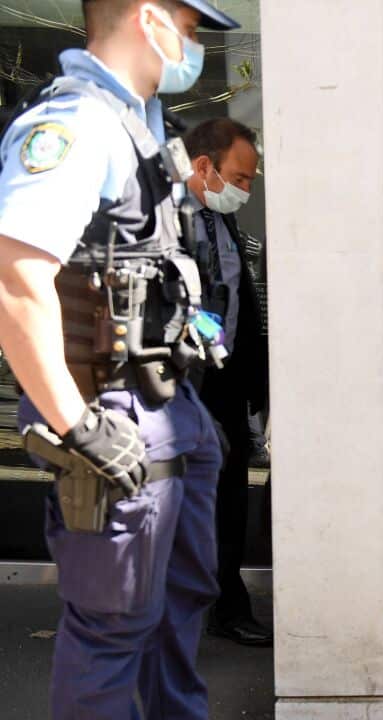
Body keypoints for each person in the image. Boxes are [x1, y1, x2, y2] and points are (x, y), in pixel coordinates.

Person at [0, 1, 238, 717]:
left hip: (169, 405)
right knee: (113, 627)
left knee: (180, 603)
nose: (194, 47)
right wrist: (76, 427)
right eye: (190, 29)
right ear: (147, 19)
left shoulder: (138, 127)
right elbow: (16, 278)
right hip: (112, 411)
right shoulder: (72, 126)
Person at [184, 117, 272, 646]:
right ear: (203, 166)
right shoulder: (161, 220)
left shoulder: (222, 222)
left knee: (229, 498)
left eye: (250, 182)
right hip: (178, 385)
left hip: (225, 385)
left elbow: (233, 295)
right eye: (238, 178)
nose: (244, 190)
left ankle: (227, 604)